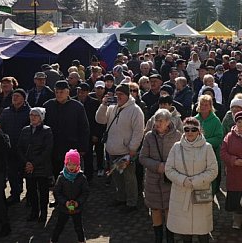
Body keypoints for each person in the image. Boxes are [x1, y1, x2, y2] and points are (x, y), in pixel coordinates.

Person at [165, 117, 218, 243]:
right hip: (181, 194)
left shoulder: (207, 147)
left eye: (193, 129)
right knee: (185, 233)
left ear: (199, 131)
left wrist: (196, 181)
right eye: (186, 129)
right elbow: (169, 169)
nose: (190, 132)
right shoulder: (176, 147)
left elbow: (213, 171)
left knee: (202, 232)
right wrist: (183, 180)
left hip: (200, 193)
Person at [95, 83, 144, 212]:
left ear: (127, 95)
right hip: (112, 150)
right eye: (116, 94)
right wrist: (103, 104)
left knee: (129, 178)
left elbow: (138, 131)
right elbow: (100, 120)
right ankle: (121, 198)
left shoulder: (135, 110)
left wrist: (133, 148)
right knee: (117, 177)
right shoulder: (112, 108)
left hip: (126, 152)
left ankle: (132, 203)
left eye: (121, 94)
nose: (118, 97)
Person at [140, 109, 182, 242]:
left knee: (170, 210)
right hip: (153, 181)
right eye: (156, 121)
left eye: (161, 121)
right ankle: (158, 238)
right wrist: (157, 166)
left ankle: (170, 238)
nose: (157, 123)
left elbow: (181, 157)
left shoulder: (178, 136)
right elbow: (142, 157)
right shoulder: (149, 136)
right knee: (156, 210)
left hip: (170, 180)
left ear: (168, 122)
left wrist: (170, 167)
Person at [44, 80, 89, 179]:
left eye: (61, 92)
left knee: (72, 175)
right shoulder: (48, 105)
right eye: (57, 92)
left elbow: (84, 128)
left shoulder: (77, 107)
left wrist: (83, 147)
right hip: (54, 146)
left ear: (67, 92)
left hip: (71, 146)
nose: (59, 95)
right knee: (56, 174)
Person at [18, 107, 53, 223]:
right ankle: (34, 212)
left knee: (43, 191)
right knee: (31, 190)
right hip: (28, 166)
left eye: (36, 115)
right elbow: (20, 148)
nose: (33, 117)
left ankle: (43, 212)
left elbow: (47, 150)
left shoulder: (46, 130)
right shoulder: (25, 130)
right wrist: (26, 163)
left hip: (42, 166)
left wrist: (33, 163)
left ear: (41, 118)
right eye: (31, 115)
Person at [0, 88, 30, 204]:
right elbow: (0, 127)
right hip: (10, 147)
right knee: (12, 172)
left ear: (24, 99)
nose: (15, 98)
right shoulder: (6, 112)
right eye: (13, 96)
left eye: (18, 96)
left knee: (25, 172)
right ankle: (15, 194)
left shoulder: (29, 112)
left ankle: (29, 196)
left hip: (24, 148)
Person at [50, 150, 89, 243]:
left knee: (78, 226)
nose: (71, 167)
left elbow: (85, 192)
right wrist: (65, 202)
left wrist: (78, 202)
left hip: (77, 207)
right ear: (66, 164)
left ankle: (81, 240)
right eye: (69, 164)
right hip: (64, 207)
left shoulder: (82, 177)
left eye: (74, 164)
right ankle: (54, 240)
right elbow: (57, 192)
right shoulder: (61, 177)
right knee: (59, 225)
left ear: (78, 165)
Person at [195, 94, 224, 192]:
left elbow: (219, 137)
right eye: (202, 104)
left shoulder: (216, 121)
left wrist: (204, 142)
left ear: (210, 106)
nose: (203, 107)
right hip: (196, 154)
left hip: (211, 152)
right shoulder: (195, 120)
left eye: (206, 105)